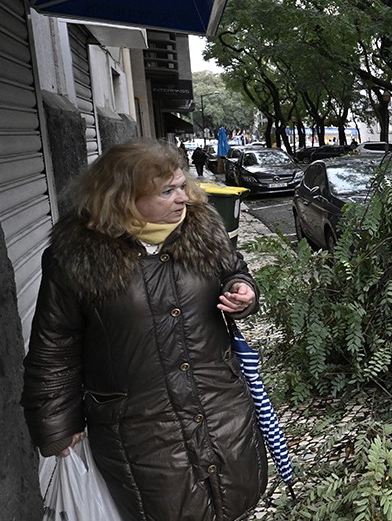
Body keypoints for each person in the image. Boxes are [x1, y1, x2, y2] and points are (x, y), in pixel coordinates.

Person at [21, 139, 268, 521]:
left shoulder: (203, 227)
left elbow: (234, 270)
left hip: (219, 408)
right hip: (140, 432)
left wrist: (244, 293)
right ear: (121, 198)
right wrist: (55, 422)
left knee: (231, 501)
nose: (183, 198)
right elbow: (55, 344)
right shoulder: (76, 254)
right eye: (166, 191)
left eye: (182, 185)